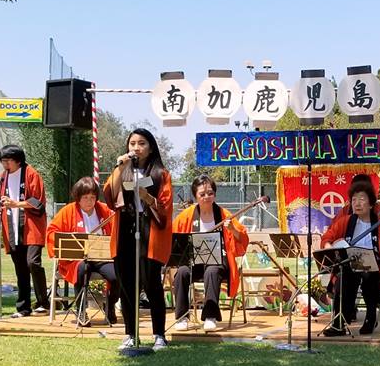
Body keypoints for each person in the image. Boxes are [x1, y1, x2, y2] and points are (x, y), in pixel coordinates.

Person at [103, 128, 173, 351]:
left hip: (149, 230)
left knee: (151, 284)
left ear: (150, 148)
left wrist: (147, 197)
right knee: (127, 285)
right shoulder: (122, 169)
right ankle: (130, 334)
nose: (136, 148)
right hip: (125, 227)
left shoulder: (160, 174)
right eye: (132, 143)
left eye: (141, 143)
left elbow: (165, 207)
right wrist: (119, 167)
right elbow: (110, 196)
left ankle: (159, 334)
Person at [320, 180, 380, 336]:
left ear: (371, 204)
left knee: (369, 277)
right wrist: (329, 246)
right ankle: (339, 322)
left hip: (375, 266)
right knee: (343, 277)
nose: (357, 203)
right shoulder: (346, 221)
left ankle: (371, 317)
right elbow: (327, 237)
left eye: (362, 199)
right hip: (351, 265)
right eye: (354, 200)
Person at [171, 175, 248, 332]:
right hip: (194, 261)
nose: (207, 197)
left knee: (212, 271)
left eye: (210, 193)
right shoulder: (186, 216)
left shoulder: (224, 214)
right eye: (202, 194)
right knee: (182, 272)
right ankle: (182, 317)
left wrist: (232, 229)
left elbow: (243, 239)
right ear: (195, 196)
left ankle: (210, 316)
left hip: (218, 261)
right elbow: (173, 238)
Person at [46, 177, 118, 327]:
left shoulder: (104, 210)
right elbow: (52, 231)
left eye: (92, 197)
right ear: (78, 198)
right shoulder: (68, 211)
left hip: (101, 257)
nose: (89, 201)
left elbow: (116, 228)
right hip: (76, 259)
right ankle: (81, 310)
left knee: (117, 275)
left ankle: (110, 305)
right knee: (81, 270)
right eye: (85, 198)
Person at [0, 145, 48, 318]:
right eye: (2, 161)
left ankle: (43, 302)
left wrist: (16, 204)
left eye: (8, 161)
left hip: (32, 227)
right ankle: (23, 307)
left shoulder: (31, 174)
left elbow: (38, 201)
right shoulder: (1, 179)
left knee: (32, 263)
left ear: (18, 160)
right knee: (20, 268)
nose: (5, 164)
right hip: (12, 228)